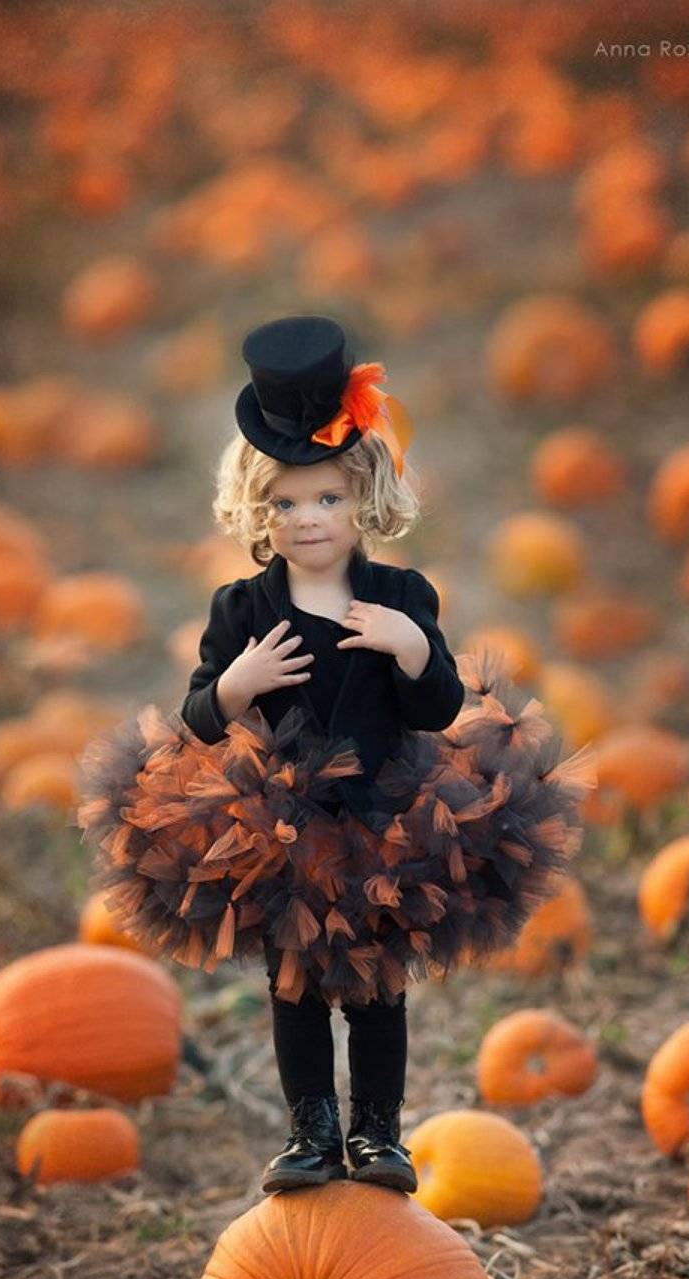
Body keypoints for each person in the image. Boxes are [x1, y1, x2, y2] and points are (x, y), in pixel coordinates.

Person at [77, 314, 595, 1198]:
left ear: (364, 501)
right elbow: (198, 718)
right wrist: (236, 684)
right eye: (284, 502)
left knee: (379, 990)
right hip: (275, 827)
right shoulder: (241, 608)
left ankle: (379, 1134)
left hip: (386, 822)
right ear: (255, 508)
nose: (307, 519)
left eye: (327, 500)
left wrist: (412, 648)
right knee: (296, 990)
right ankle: (311, 1132)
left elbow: (436, 710)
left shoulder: (401, 594)